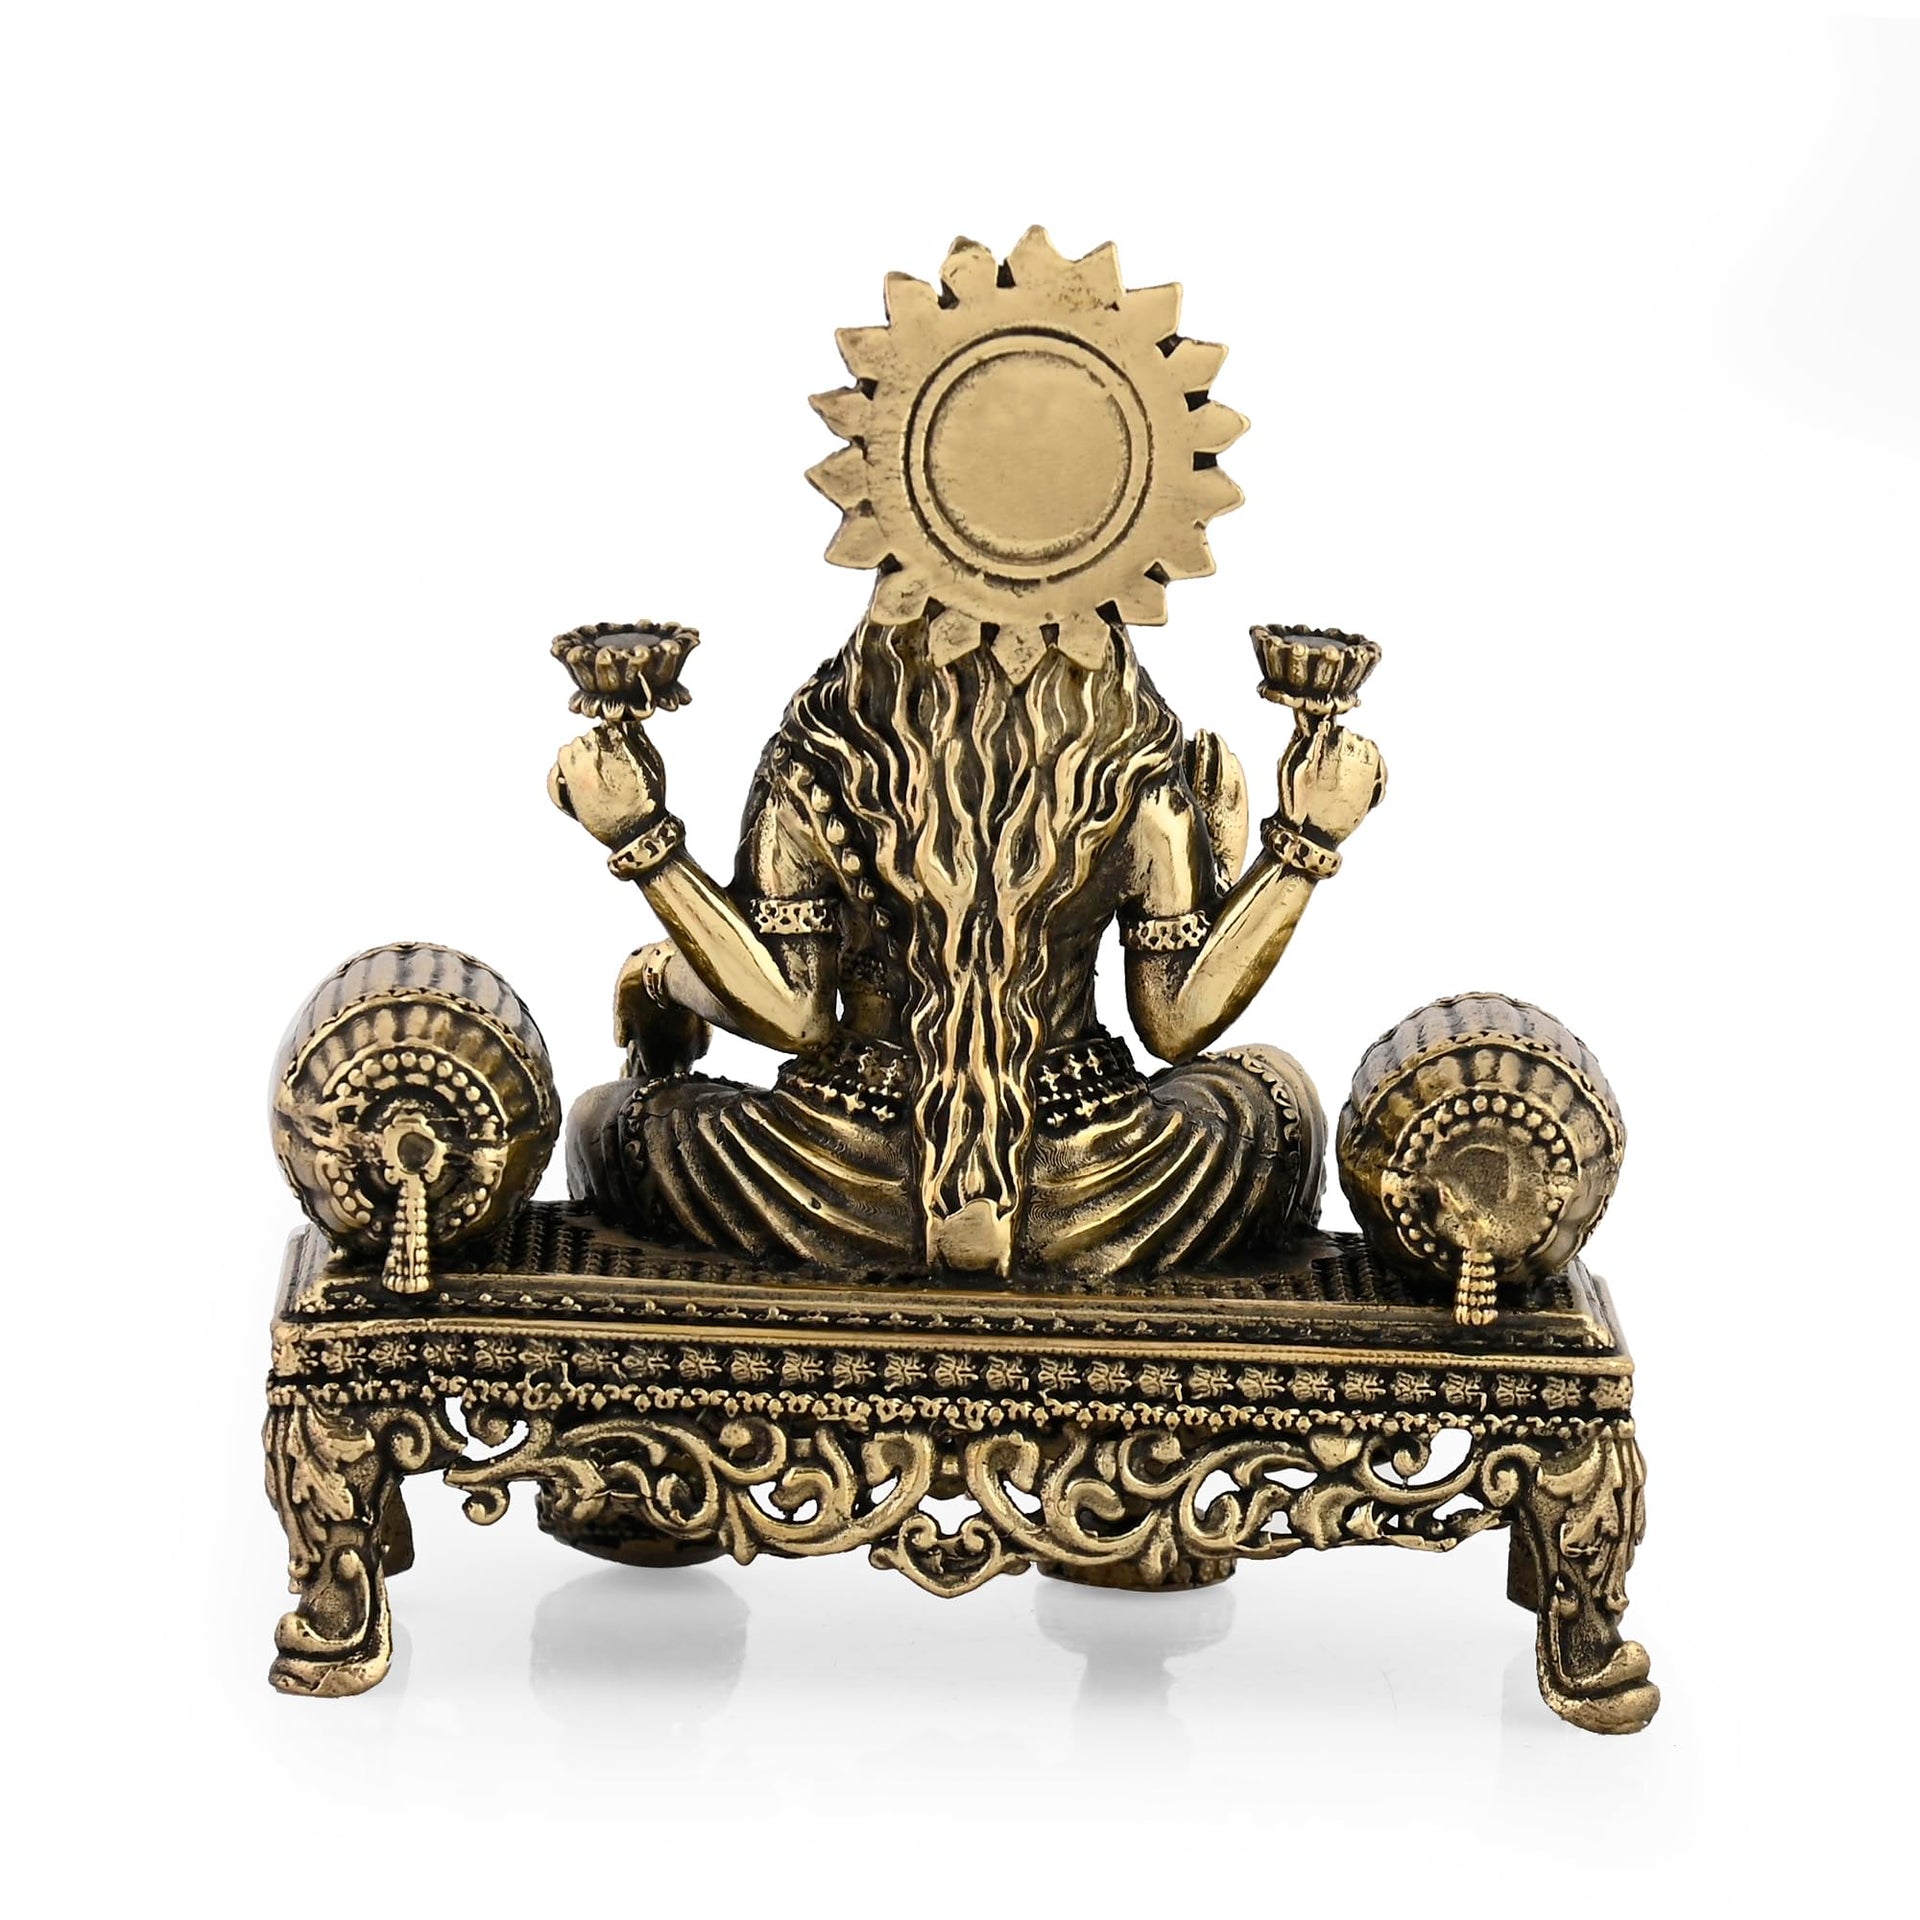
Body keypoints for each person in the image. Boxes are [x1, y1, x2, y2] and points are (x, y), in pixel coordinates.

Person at [550, 615, 1384, 1281]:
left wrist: (647, 877)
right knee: (1269, 1104)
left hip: (840, 1173)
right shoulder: (1130, 761)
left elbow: (792, 1014)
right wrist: (1299, 845)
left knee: (609, 1123)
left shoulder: (824, 753)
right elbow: (1175, 1023)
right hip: (1096, 1175)